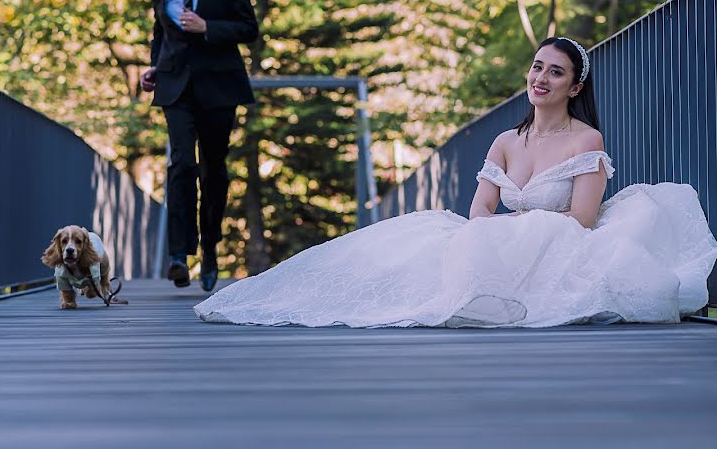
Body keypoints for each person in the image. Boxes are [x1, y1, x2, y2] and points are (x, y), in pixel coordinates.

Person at [194, 37, 717, 327]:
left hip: (562, 243)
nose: (540, 78)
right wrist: (497, 232)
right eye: (536, 67)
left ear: (575, 85)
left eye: (555, 72)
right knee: (405, 250)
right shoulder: (504, 141)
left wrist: (523, 227)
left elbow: (582, 219)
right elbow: (480, 211)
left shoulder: (587, 141)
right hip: (502, 237)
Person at [141, 0, 258, 291]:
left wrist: (209, 28)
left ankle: (209, 249)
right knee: (180, 164)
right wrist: (153, 67)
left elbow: (248, 29)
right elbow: (161, 34)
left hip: (218, 88)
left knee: (213, 171)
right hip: (175, 88)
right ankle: (179, 254)